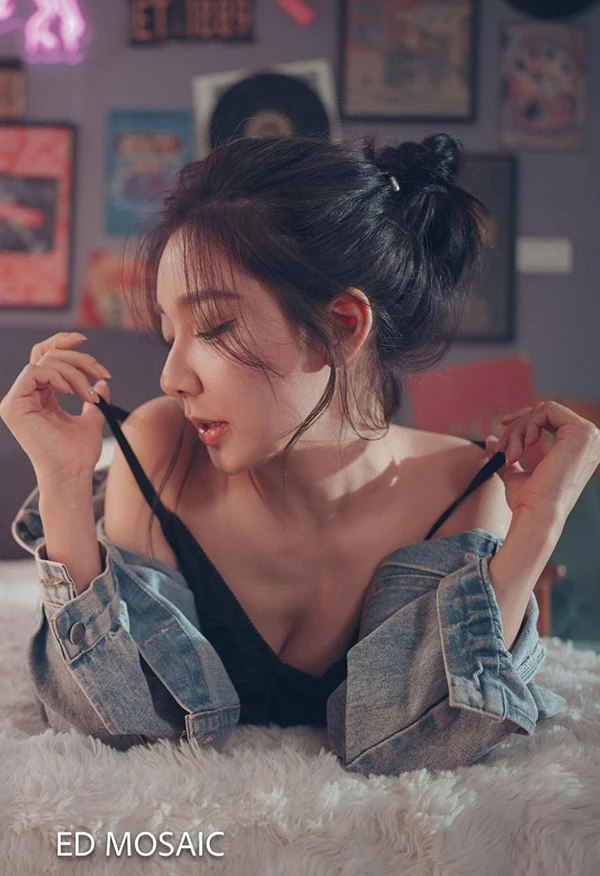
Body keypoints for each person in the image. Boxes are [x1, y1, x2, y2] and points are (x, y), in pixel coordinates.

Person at [2, 133, 598, 776]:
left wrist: (538, 528)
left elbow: (415, 739)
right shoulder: (160, 453)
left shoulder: (463, 492)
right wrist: (63, 487)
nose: (172, 377)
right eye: (171, 334)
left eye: (214, 328)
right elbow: (112, 721)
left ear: (342, 327)